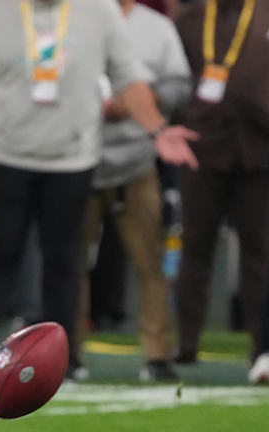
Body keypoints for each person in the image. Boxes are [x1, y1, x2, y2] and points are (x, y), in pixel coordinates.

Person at [0, 0, 199, 381]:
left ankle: (64, 360)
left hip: (71, 157)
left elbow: (128, 76)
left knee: (64, 260)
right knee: (1, 253)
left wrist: (157, 129)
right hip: (10, 152)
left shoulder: (99, 10)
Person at [75, 0, 191, 382]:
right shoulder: (73, 17)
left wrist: (144, 102)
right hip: (79, 160)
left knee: (149, 262)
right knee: (71, 265)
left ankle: (156, 354)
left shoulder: (156, 27)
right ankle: (67, 354)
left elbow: (178, 86)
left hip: (137, 161)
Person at [172, 0, 269, 365]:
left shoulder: (263, 13)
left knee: (258, 252)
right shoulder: (192, 17)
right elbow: (175, 76)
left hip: (257, 145)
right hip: (203, 146)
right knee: (195, 247)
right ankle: (186, 342)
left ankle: (262, 346)